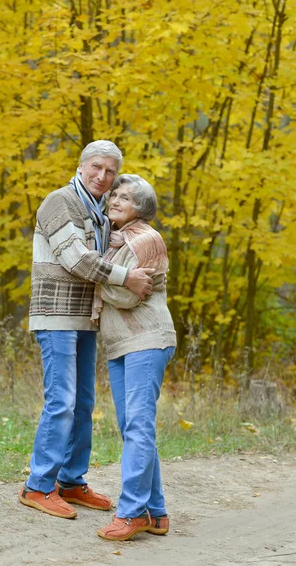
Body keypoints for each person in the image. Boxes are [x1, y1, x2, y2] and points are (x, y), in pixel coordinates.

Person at [19, 141, 155, 519]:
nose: (102, 176)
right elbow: (77, 259)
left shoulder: (99, 211)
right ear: (81, 166)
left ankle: (71, 481)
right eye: (96, 167)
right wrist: (127, 278)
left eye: (110, 172)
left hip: (87, 318)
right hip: (56, 315)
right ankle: (38, 486)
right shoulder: (59, 202)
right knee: (61, 401)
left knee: (83, 403)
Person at [93, 174, 177, 541]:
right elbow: (122, 283)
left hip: (146, 338)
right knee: (134, 429)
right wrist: (110, 273)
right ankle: (155, 513)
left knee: (138, 428)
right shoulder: (119, 241)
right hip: (122, 343)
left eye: (125, 197)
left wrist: (95, 279)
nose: (115, 200)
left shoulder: (146, 239)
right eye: (115, 195)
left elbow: (130, 295)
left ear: (141, 208)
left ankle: (130, 514)